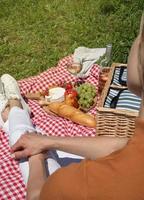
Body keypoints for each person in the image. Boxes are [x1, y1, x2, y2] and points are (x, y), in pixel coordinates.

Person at [5, 14, 144, 199]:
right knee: (36, 140)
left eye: (139, 36)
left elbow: (37, 196)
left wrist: (37, 158)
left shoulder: (80, 184)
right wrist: (49, 141)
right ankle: (13, 112)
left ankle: (13, 108)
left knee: (29, 146)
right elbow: (123, 145)